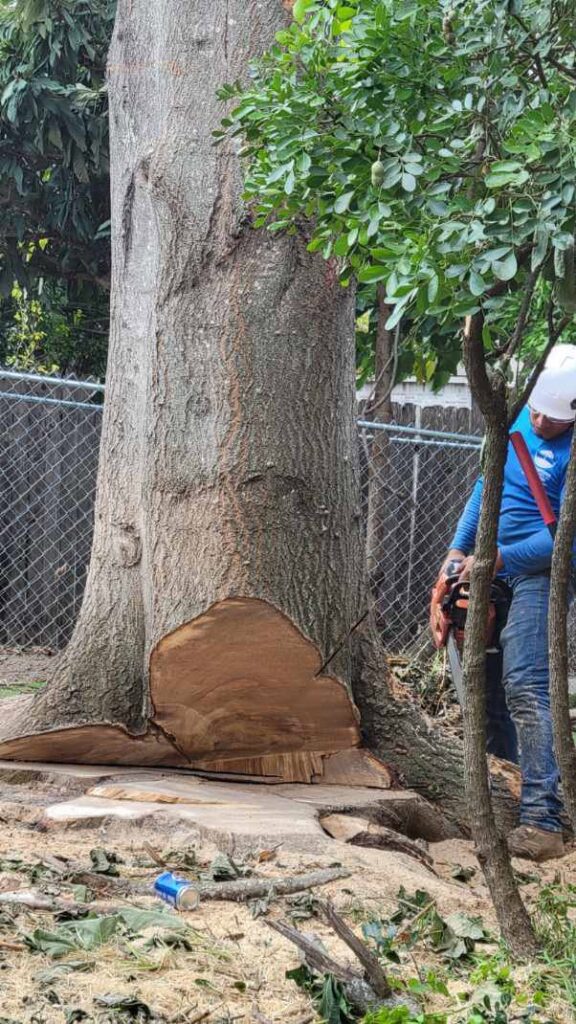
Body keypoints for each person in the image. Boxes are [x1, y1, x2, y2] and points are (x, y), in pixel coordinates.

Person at [442, 344, 576, 862]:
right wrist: (459, 547)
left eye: (553, 419)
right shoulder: (521, 410)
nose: (539, 421)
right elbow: (487, 485)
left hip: (540, 574)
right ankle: (503, 791)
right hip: (489, 563)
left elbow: (563, 538)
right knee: (488, 685)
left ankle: (543, 821)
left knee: (526, 683)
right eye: (536, 411)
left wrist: (497, 560)